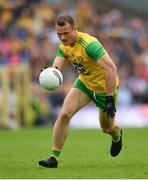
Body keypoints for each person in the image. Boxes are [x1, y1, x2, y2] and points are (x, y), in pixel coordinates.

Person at [39, 14, 122, 168]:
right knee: (64, 114)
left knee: (107, 128)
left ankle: (117, 136)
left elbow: (111, 68)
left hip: (105, 88)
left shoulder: (89, 44)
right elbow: (57, 68)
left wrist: (110, 98)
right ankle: (54, 158)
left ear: (74, 29)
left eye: (65, 33)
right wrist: (50, 73)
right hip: (84, 84)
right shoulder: (63, 46)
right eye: (59, 34)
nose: (62, 38)